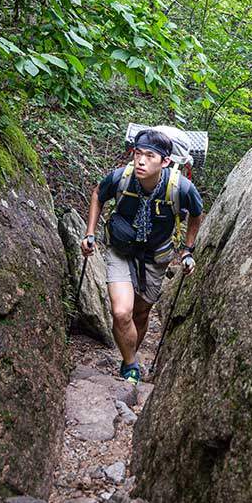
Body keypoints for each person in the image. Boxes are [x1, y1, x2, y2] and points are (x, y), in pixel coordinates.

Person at [81, 128, 203, 384]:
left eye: (150, 155)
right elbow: (97, 194)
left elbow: (196, 212)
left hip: (156, 257)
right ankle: (130, 365)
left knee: (141, 314)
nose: (141, 161)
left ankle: (130, 354)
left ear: (165, 161)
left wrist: (187, 250)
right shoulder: (121, 178)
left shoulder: (180, 187)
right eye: (138, 154)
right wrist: (90, 232)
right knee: (122, 312)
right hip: (121, 250)